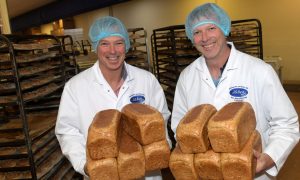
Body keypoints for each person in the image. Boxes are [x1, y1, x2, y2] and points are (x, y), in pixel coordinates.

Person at [171, 3, 299, 180]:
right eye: (197, 32)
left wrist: (266, 160)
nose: (205, 38)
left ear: (224, 29)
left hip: (254, 173)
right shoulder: (187, 77)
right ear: (191, 38)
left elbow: (287, 125)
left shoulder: (259, 71)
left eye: (211, 28)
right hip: (205, 174)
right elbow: (179, 125)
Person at [55, 16, 171, 179]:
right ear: (95, 46)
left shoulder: (147, 80)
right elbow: (67, 131)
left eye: (118, 43)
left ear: (126, 46)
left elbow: (161, 120)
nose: (112, 51)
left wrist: (158, 153)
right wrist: (85, 165)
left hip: (147, 174)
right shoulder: (75, 87)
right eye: (105, 43)